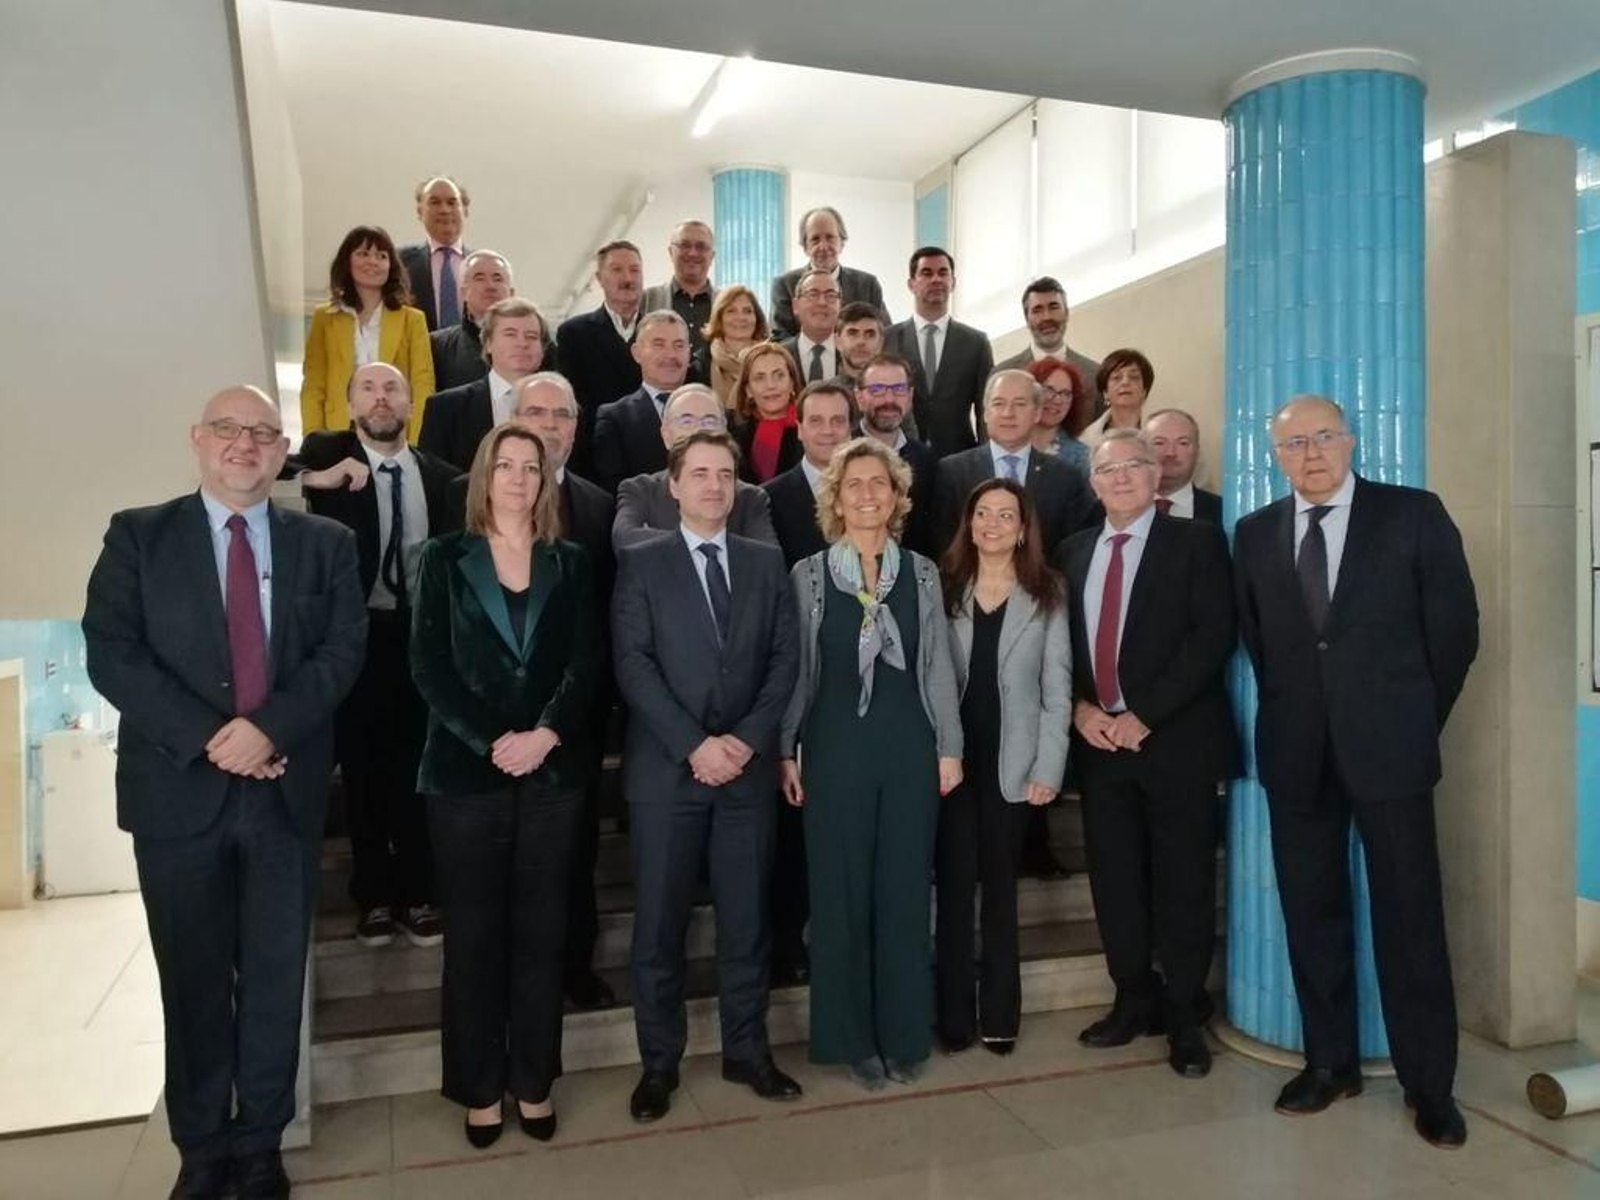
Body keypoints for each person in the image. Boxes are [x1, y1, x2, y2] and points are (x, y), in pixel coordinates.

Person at [83, 386, 366, 1200]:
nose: (246, 445)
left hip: (283, 795)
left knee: (278, 976)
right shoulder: (139, 536)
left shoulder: (323, 545)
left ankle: (260, 1142)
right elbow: (112, 652)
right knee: (194, 978)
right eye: (230, 430)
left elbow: (342, 652)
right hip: (178, 796)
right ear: (198, 440)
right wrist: (217, 737)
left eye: (264, 434)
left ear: (284, 454)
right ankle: (203, 1149)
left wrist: (268, 727)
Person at [1234, 396, 1478, 1148]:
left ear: (1351, 440)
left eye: (1324, 437)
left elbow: (1456, 636)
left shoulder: (1413, 515)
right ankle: (1329, 1064)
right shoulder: (1253, 534)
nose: (1310, 453)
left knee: (1410, 919)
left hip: (1392, 753)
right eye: (1293, 443)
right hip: (1297, 753)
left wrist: (1407, 722)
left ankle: (1429, 1087)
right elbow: (1264, 647)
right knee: (1312, 914)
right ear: (1275, 455)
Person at [410, 423, 600, 1148]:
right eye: (506, 465)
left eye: (532, 467)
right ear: (484, 476)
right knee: (477, 936)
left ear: (546, 480)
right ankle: (479, 1086)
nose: (519, 478)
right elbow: (429, 666)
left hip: (554, 770)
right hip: (466, 774)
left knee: (542, 932)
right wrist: (495, 742)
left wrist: (545, 734)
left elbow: (586, 661)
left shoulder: (572, 561)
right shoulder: (442, 558)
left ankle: (532, 1080)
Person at [612, 431, 804, 1122]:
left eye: (726, 475)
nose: (715, 487)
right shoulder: (642, 562)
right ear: (673, 484)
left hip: (746, 778)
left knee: (748, 923)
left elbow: (785, 661)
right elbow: (632, 664)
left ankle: (747, 1052)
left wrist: (745, 743)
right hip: (668, 775)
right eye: (700, 474)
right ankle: (658, 1065)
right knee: (659, 929)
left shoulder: (764, 561)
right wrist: (696, 745)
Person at [780, 438, 963, 1090]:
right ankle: (852, 1037)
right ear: (835, 498)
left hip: (908, 747)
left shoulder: (920, 573)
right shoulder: (808, 575)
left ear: (895, 496)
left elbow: (938, 663)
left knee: (906, 891)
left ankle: (904, 1033)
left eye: (877, 483)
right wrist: (786, 748)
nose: (866, 494)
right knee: (840, 895)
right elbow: (797, 672)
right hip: (833, 750)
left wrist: (950, 747)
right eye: (853, 484)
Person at [1057, 429, 1238, 1079]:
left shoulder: (1198, 542)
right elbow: (1063, 647)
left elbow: (1212, 635)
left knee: (1184, 882)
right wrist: (1081, 710)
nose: (1122, 477)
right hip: (1101, 748)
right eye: (1109, 469)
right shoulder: (1072, 551)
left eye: (1135, 464)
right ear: (1094, 482)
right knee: (1116, 882)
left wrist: (1144, 715)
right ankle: (1132, 997)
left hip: (1176, 744)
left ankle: (1186, 1013)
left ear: (1156, 472)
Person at [297, 364, 459, 950]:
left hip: (420, 635)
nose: (381, 397)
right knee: (364, 772)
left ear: (412, 405)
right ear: (349, 404)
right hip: (355, 641)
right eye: (368, 387)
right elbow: (272, 474)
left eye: (392, 388)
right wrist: (317, 476)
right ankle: (373, 896)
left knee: (419, 769)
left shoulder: (442, 477)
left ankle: (420, 892)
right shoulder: (327, 459)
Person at [935, 479, 1070, 1056]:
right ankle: (954, 1018)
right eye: (981, 514)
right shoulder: (942, 588)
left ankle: (999, 1015)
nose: (991, 523)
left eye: (1004, 515)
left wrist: (1049, 767)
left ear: (1022, 529)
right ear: (968, 524)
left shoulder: (1046, 591)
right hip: (952, 762)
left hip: (1014, 763)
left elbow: (1057, 691)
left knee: (1000, 893)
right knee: (955, 889)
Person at [933, 369, 1094, 556]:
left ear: (1037, 413)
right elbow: (943, 545)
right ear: (985, 413)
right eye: (998, 404)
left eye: (1019, 404)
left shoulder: (1066, 478)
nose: (1008, 413)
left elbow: (1072, 549)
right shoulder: (953, 472)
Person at [300, 225, 435, 438]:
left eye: (381, 256)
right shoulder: (324, 318)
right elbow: (313, 386)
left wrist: (418, 440)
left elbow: (423, 385)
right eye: (363, 254)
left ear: (391, 265)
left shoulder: (413, 319)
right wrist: (313, 438)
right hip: (338, 431)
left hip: (395, 432)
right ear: (347, 261)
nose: (373, 261)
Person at [611, 384, 778, 549]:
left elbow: (766, 558)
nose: (699, 430)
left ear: (725, 432)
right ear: (666, 435)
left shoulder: (750, 498)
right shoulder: (641, 491)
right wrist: (712, 541)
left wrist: (659, 540)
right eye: (686, 421)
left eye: (710, 421)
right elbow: (626, 541)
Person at [418, 297, 549, 473]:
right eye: (510, 334)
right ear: (487, 343)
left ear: (543, 349)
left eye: (531, 336)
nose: (522, 343)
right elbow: (432, 478)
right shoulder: (445, 408)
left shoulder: (565, 409)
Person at [886, 247, 995, 458]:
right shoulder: (887, 339)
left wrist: (984, 460)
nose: (936, 279)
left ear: (953, 282)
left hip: (960, 458)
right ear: (911, 284)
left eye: (943, 273)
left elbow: (986, 411)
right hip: (899, 458)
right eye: (927, 273)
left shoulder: (976, 342)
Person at [557, 241, 646, 474]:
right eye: (617, 269)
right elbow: (574, 405)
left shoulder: (661, 332)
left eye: (634, 270)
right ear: (599, 277)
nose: (628, 278)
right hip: (595, 461)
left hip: (651, 457)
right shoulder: (573, 333)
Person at [592, 310, 691, 492]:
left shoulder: (715, 412)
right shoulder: (614, 418)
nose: (670, 355)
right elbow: (614, 491)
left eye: (679, 345)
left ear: (689, 353)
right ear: (637, 353)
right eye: (659, 345)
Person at [764, 380, 855, 570]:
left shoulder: (871, 492)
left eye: (838, 421)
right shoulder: (768, 498)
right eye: (816, 421)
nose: (827, 431)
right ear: (799, 429)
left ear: (850, 429)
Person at [854, 353, 937, 553]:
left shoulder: (927, 460)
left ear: (909, 397)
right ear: (859, 398)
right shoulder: (841, 455)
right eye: (877, 390)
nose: (889, 399)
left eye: (899, 389)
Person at [769, 206, 887, 339]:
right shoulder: (784, 285)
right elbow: (780, 339)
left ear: (841, 243)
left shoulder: (867, 285)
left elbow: (884, 334)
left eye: (830, 237)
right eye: (815, 239)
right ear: (805, 247)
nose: (823, 246)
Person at [994, 277, 1103, 416]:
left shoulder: (1095, 375)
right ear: (1026, 320)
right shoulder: (1002, 375)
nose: (1046, 317)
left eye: (1054, 307)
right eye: (1037, 310)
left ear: (1067, 313)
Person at [429, 249, 515, 392]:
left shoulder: (534, 342)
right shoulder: (436, 346)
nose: (490, 286)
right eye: (480, 278)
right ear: (463, 293)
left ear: (512, 293)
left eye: (498, 278)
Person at [399, 175, 470, 332]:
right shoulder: (400, 263)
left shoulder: (484, 265)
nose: (445, 210)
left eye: (452, 202)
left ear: (464, 210)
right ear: (420, 211)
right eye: (435, 202)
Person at [642, 220, 718, 356]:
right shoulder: (645, 301)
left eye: (701, 247)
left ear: (712, 256)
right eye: (684, 245)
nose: (693, 253)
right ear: (671, 252)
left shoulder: (729, 304)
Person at [732, 343, 803, 485]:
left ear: (792, 383)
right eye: (760, 378)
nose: (770, 385)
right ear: (748, 390)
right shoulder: (734, 436)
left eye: (779, 376)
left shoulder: (809, 429)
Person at [696, 284, 769, 410]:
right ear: (719, 318)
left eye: (747, 311)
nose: (741, 317)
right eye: (731, 311)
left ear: (756, 318)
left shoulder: (774, 358)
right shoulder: (699, 365)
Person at [1145, 408, 1222, 522]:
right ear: (1142, 450)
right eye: (1159, 443)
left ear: (1197, 451)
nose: (1170, 453)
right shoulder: (1116, 507)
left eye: (1183, 443)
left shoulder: (1222, 511)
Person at [1026, 357, 1094, 476]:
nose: (1057, 400)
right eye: (1048, 390)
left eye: (1065, 394)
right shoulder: (1009, 443)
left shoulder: (1081, 457)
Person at [1078, 348, 1154, 452]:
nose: (1125, 382)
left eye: (1133, 377)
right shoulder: (1085, 440)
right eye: (1117, 377)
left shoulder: (1160, 432)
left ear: (1144, 390)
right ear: (1105, 392)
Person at [778, 269, 845, 383]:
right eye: (813, 294)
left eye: (830, 295)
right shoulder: (779, 355)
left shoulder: (851, 353)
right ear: (796, 306)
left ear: (840, 306)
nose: (822, 302)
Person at [836, 301, 886, 383]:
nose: (861, 341)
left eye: (870, 335)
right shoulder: (820, 394)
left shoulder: (899, 393)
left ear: (880, 343)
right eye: (852, 334)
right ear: (837, 341)